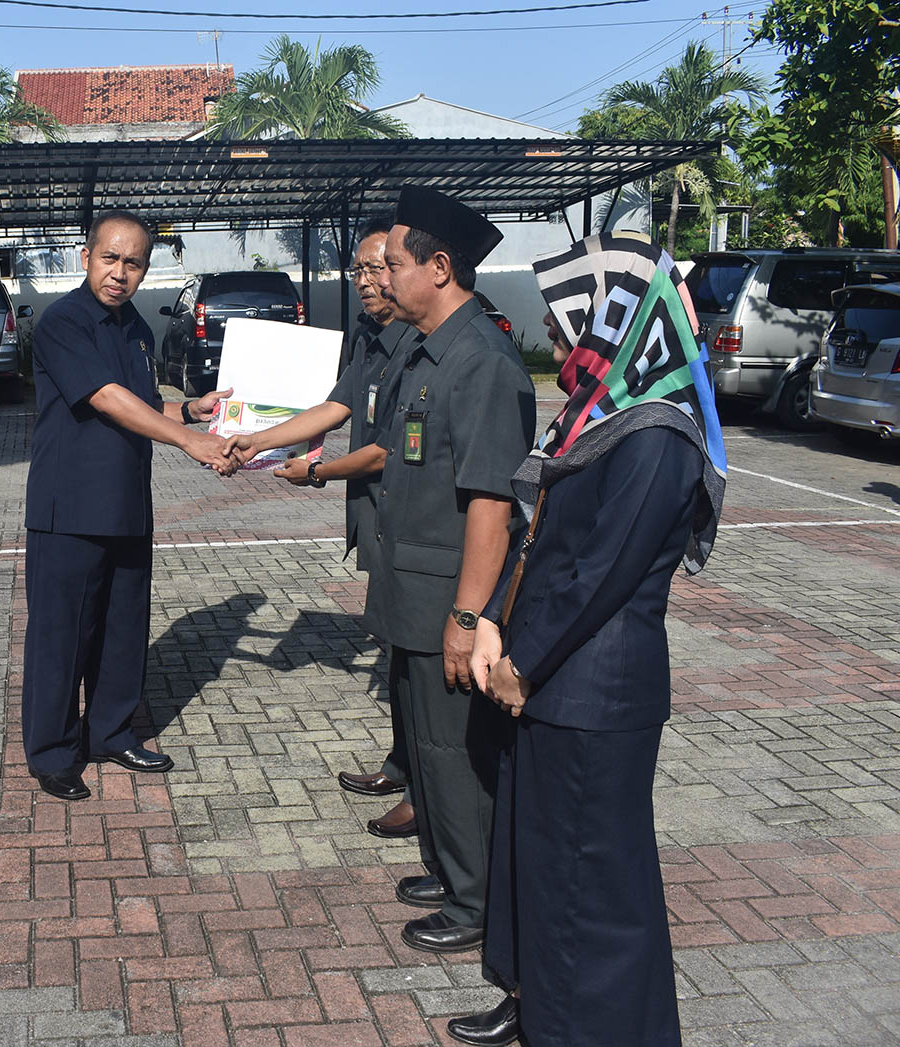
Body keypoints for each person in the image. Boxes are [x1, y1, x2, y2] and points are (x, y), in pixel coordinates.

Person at [450, 232, 727, 1047]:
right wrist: (492, 617)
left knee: (590, 883)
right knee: (547, 864)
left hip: (591, 690)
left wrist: (524, 662)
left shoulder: (657, 431)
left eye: (569, 309)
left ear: (618, 314)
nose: (554, 324)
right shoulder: (597, 413)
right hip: (555, 683)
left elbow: (602, 571)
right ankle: (541, 1005)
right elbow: (539, 538)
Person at [363, 187, 537, 953]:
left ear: (438, 268)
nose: (381, 276)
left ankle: (477, 899)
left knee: (456, 753)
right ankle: (446, 866)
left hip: (449, 600)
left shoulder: (483, 362)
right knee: (425, 746)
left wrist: (469, 617)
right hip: (413, 591)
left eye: (393, 264)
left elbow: (491, 506)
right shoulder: (425, 350)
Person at [22, 210, 235, 802]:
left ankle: (111, 733)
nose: (120, 273)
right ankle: (53, 753)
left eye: (133, 263)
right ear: (85, 257)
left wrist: (189, 411)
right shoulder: (64, 322)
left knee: (122, 630)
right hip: (69, 510)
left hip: (126, 506)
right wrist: (190, 441)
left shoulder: (135, 328)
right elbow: (106, 398)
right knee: (62, 637)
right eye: (110, 258)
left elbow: (142, 402)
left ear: (145, 268)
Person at [226, 219, 418, 839]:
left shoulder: (421, 343)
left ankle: (426, 791)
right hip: (379, 522)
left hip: (413, 526)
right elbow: (335, 407)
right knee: (397, 657)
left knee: (417, 666)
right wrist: (257, 440)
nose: (365, 280)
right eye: (358, 270)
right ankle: (403, 766)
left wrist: (317, 472)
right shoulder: (371, 336)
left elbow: (390, 450)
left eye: (377, 268)